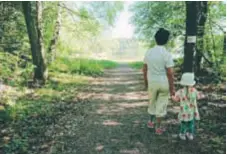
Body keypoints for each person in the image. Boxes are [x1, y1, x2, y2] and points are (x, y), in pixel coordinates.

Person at [143, 28, 175, 135]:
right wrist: (172, 88)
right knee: (161, 104)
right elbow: (170, 73)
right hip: (163, 82)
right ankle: (158, 128)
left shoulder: (149, 52)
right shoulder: (167, 54)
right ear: (166, 40)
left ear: (155, 39)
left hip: (152, 81)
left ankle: (151, 122)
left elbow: (144, 69)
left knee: (152, 101)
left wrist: (146, 82)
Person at [171, 73, 205, 140]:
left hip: (184, 112)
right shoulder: (194, 91)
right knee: (191, 123)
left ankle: (182, 134)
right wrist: (202, 95)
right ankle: (190, 134)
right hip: (192, 111)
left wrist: (172, 97)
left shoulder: (180, 91)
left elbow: (176, 99)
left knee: (184, 123)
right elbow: (199, 97)